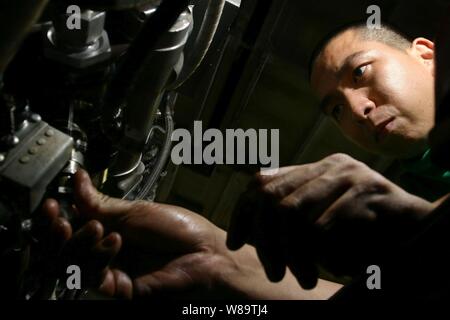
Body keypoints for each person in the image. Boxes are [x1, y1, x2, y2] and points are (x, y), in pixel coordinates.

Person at [39, 22, 450, 299]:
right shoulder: (421, 186)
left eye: (359, 73)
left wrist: (419, 229)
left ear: (426, 55)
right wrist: (218, 259)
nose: (357, 108)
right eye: (335, 110)